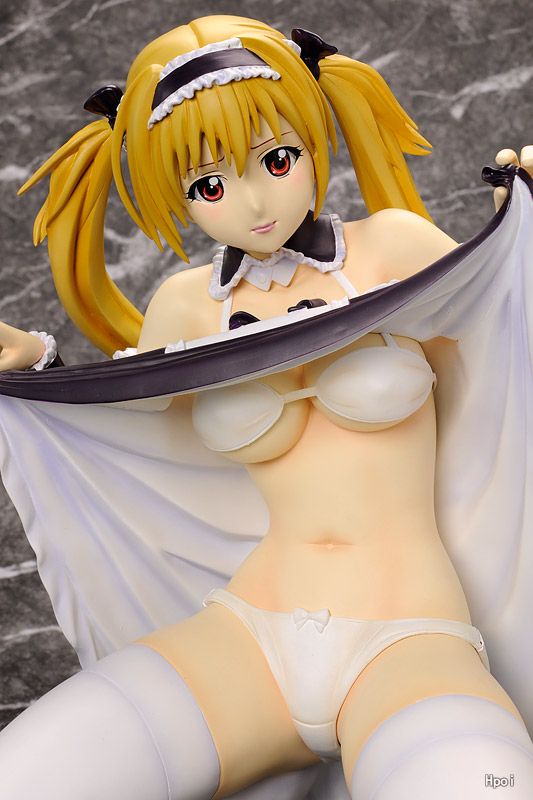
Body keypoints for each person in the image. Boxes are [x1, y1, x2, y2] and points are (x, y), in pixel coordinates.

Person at [0, 14, 533, 800]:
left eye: (276, 160)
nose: (251, 201)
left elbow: (508, 341)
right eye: (208, 186)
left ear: (313, 139)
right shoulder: (186, 306)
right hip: (246, 636)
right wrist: (37, 375)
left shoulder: (392, 246)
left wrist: (525, 234)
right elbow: (136, 439)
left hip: (408, 639)